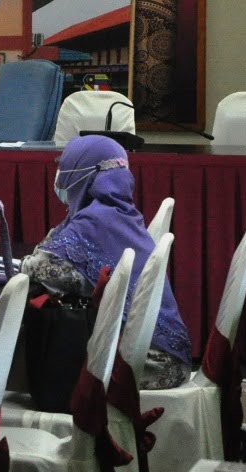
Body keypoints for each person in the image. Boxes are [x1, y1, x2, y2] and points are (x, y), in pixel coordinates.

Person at [21, 134, 192, 389]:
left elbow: (45, 272)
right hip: (166, 352)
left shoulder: (94, 222)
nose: (59, 178)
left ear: (82, 175)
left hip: (149, 362)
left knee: (44, 355)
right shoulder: (118, 214)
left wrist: (26, 262)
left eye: (64, 168)